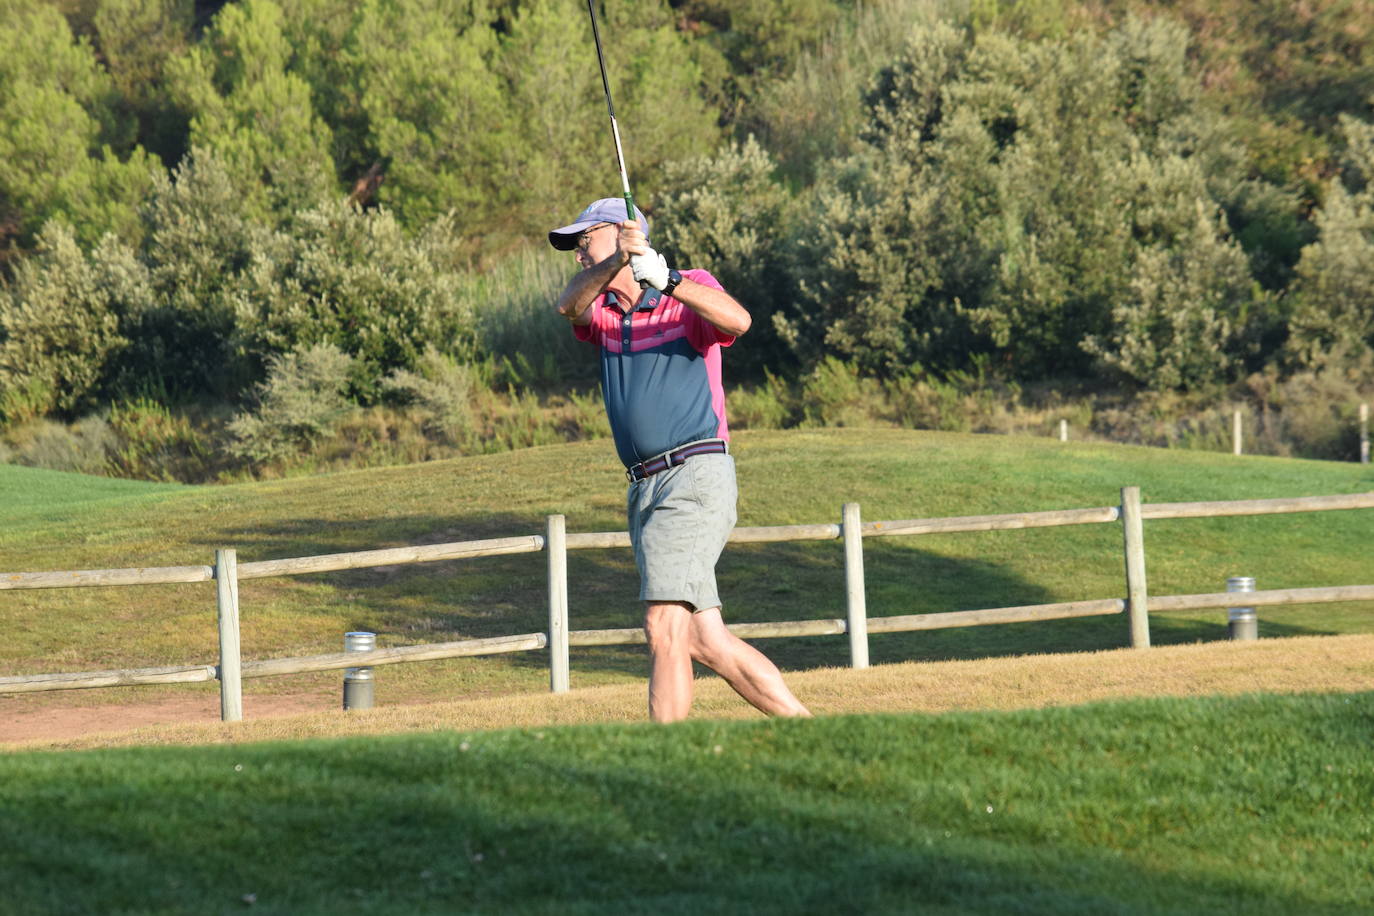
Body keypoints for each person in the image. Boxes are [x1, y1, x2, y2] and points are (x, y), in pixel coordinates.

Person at [548, 198, 812, 723]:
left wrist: (665, 280)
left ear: (622, 231)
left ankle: (666, 764)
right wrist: (614, 262)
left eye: (584, 241)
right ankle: (810, 732)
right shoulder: (602, 310)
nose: (578, 254)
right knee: (704, 641)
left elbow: (738, 319)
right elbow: (568, 307)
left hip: (693, 474)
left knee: (663, 625)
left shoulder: (686, 286)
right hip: (645, 488)